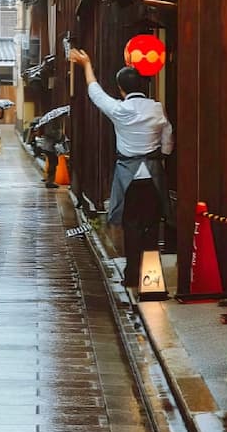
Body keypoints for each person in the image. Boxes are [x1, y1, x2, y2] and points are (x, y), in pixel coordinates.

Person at [69, 48, 174, 288]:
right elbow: (168, 139)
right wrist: (163, 155)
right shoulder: (157, 108)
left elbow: (95, 92)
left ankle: (131, 274)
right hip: (153, 175)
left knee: (131, 225)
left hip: (128, 177)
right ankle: (152, 277)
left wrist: (86, 65)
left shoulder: (119, 110)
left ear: (120, 89)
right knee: (151, 224)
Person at [35, 121, 65, 189]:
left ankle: (50, 180)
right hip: (49, 147)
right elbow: (50, 134)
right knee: (53, 164)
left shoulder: (52, 123)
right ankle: (50, 181)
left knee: (53, 163)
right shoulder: (50, 124)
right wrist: (59, 133)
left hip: (49, 147)